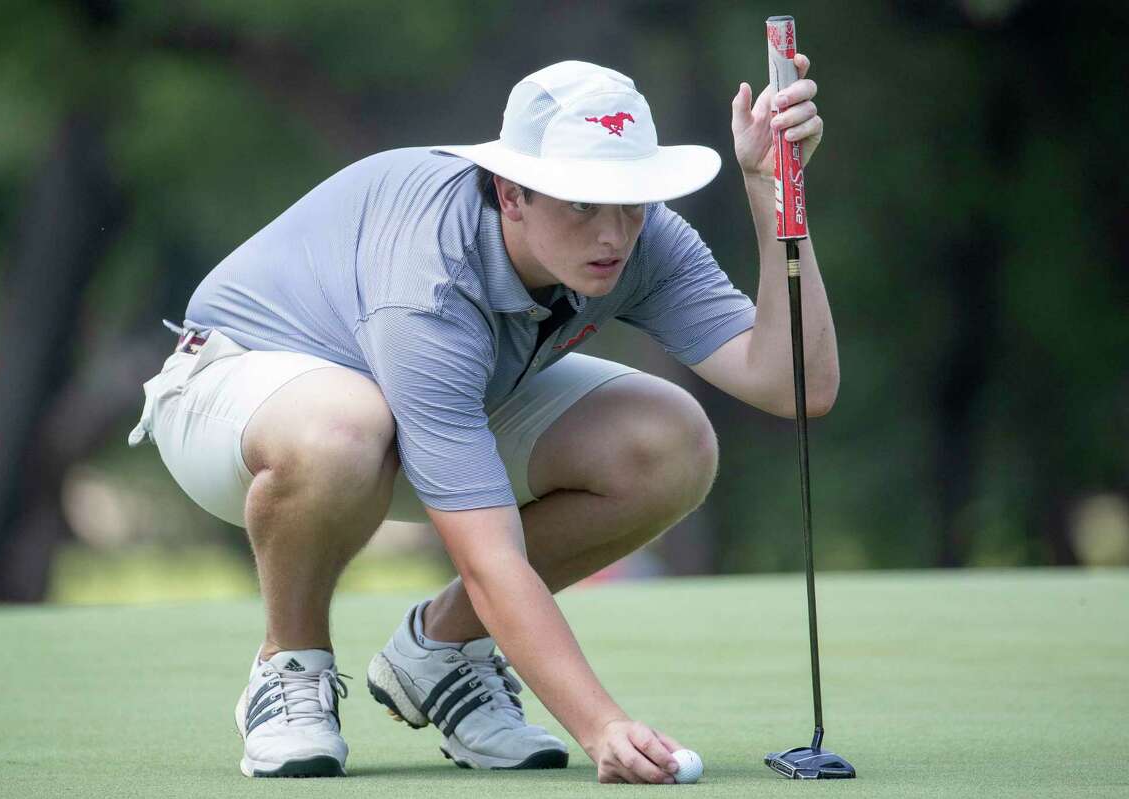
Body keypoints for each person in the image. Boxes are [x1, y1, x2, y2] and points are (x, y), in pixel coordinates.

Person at [128, 57, 835, 784]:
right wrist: (602, 725)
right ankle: (291, 665)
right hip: (231, 394)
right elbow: (486, 552)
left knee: (670, 442)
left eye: (629, 200)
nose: (612, 233)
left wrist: (772, 186)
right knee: (344, 431)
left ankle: (439, 651)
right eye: (581, 202)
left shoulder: (644, 238)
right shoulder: (430, 280)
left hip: (404, 410)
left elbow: (793, 381)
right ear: (512, 192)